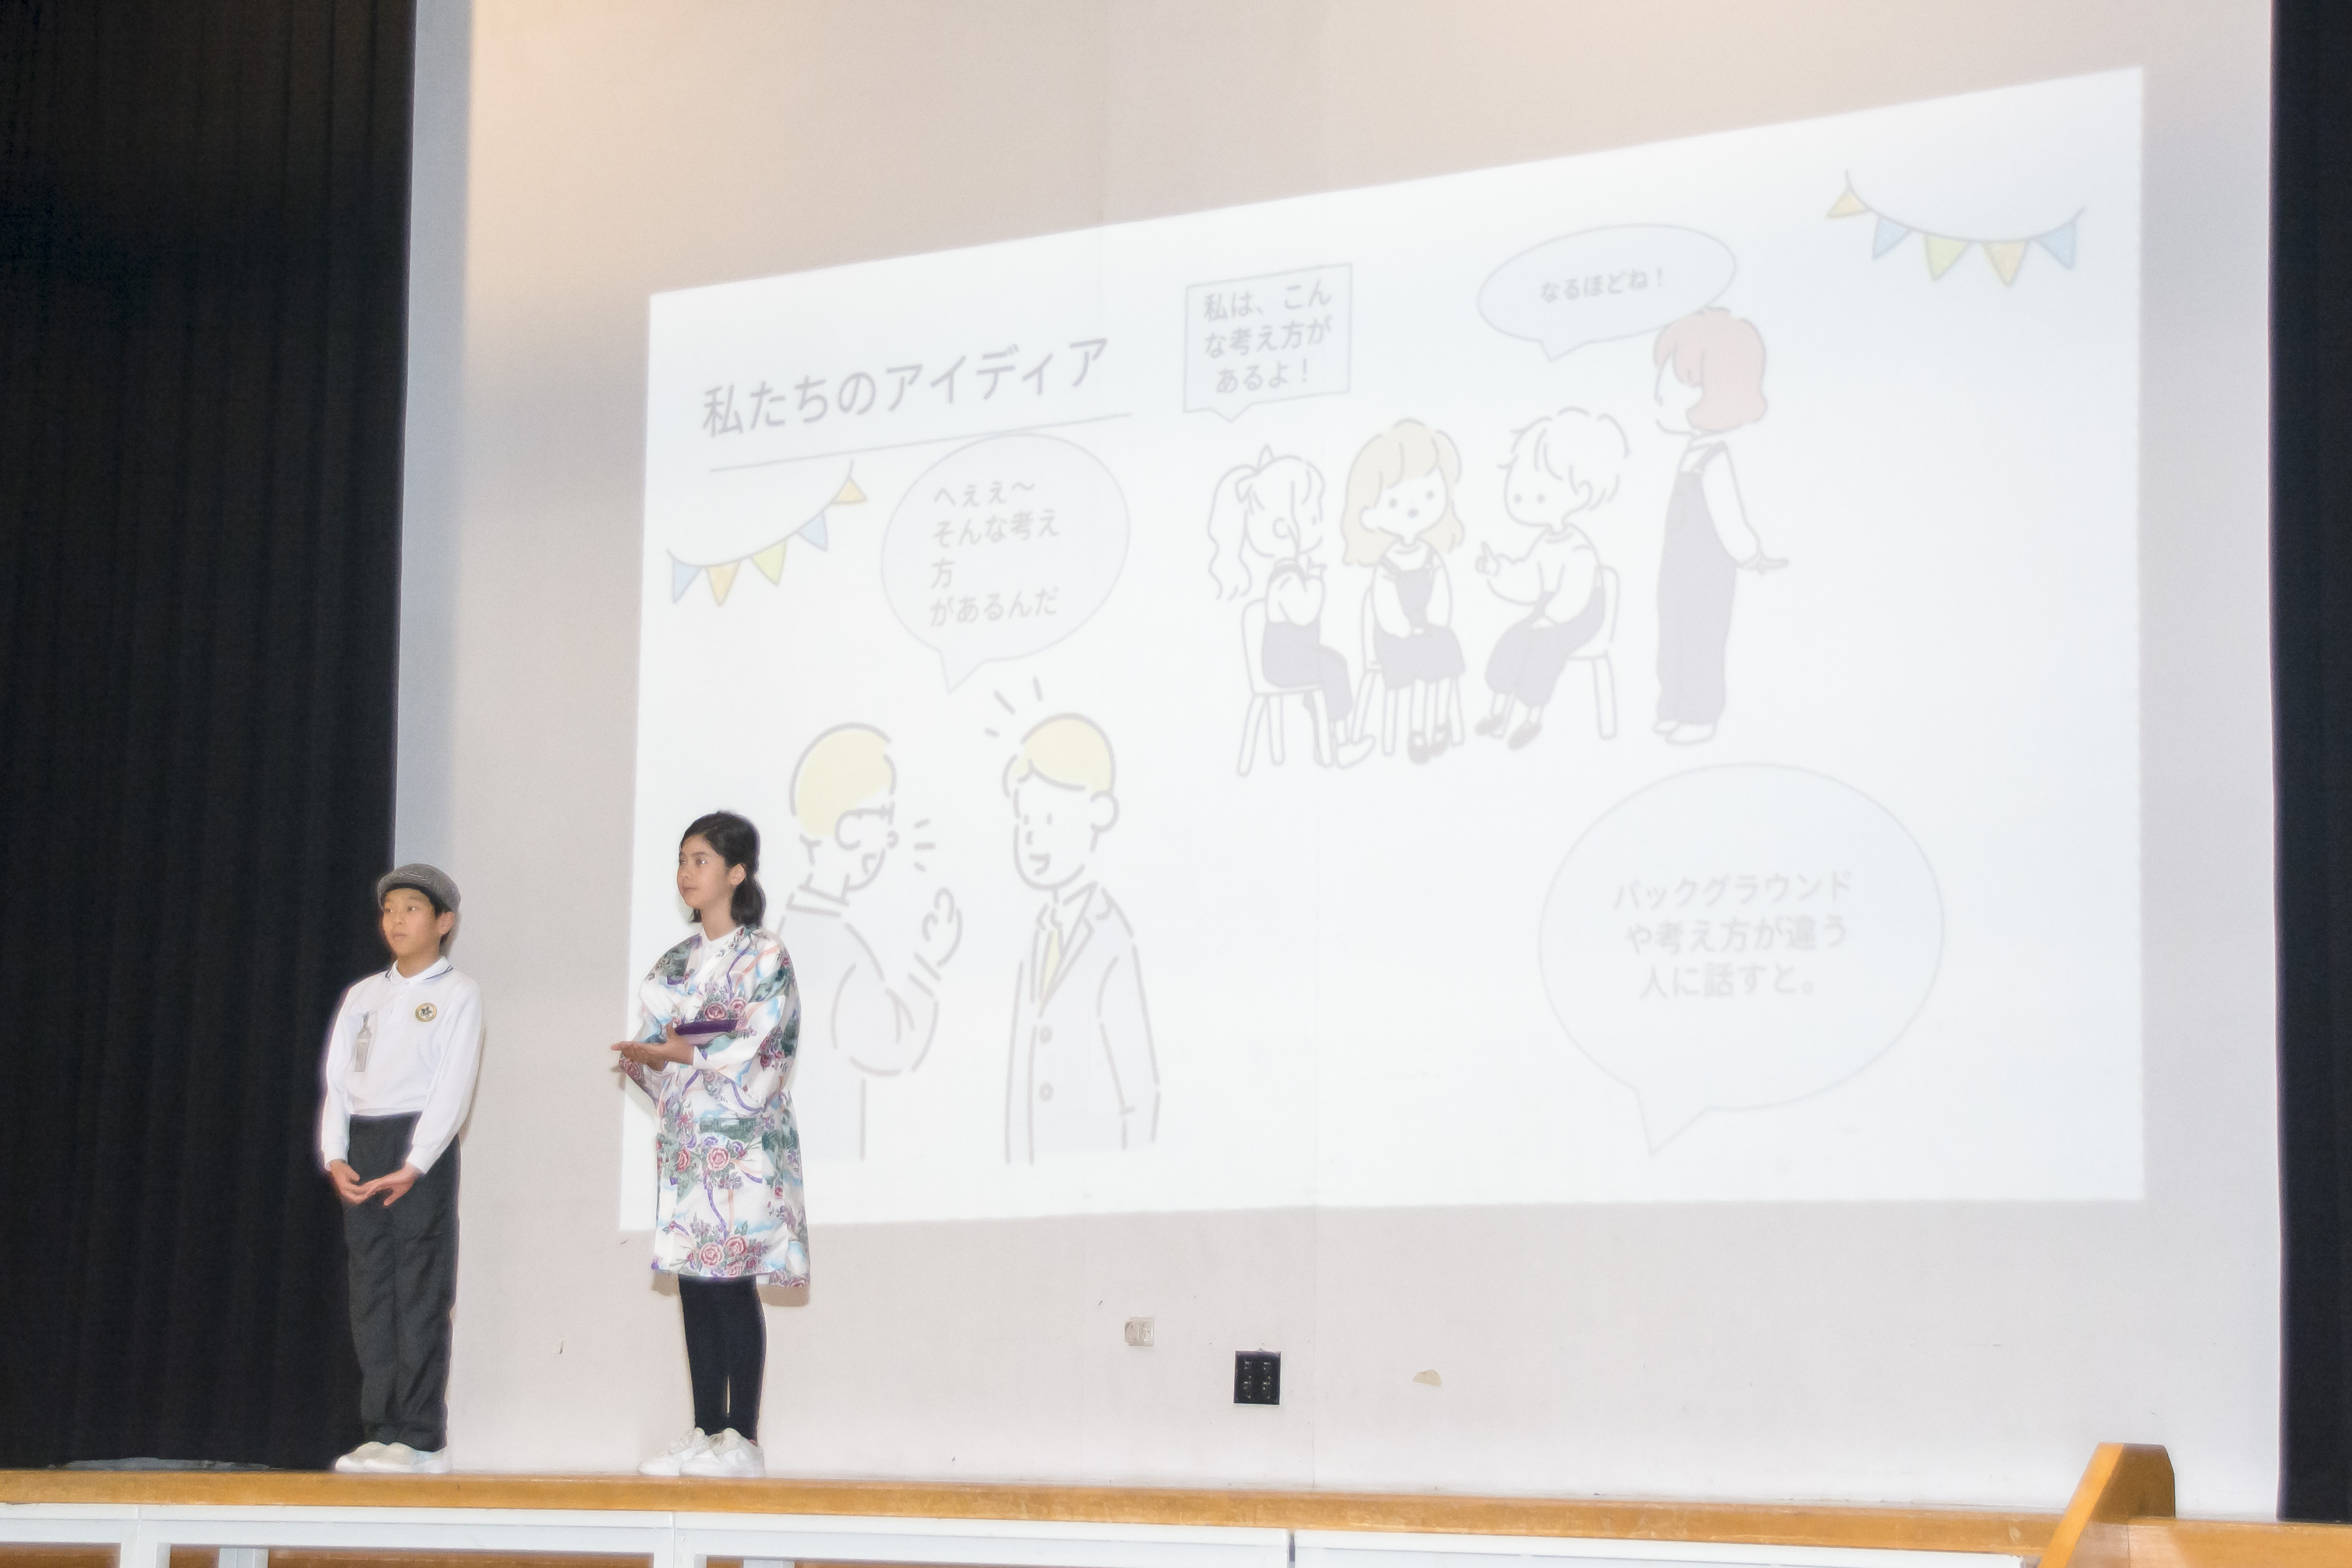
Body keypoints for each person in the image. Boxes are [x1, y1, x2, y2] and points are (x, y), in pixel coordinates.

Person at [612, 812, 804, 1479]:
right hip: (690, 1143)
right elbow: (659, 1041)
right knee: (695, 1284)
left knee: (731, 1284)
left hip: (743, 1146)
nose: (687, 872)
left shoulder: (766, 955)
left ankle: (741, 1438)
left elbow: (764, 1042)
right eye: (682, 860)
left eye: (701, 860)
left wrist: (686, 1050)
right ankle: (704, 1428)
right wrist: (647, 1055)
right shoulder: (675, 962)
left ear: (737, 872)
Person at [319, 864, 483, 1476]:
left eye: (412, 908)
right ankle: (381, 1429)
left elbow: (452, 1088)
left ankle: (421, 1437)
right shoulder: (363, 996)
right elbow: (337, 1084)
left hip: (419, 1149)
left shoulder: (458, 993)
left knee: (419, 1292)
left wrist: (415, 1163)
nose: (396, 920)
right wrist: (334, 1155)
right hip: (362, 1145)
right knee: (371, 1294)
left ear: (444, 922)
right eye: (389, 910)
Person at [783, 724, 962, 1160]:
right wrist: (930, 961)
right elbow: (895, 1044)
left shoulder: (793, 927)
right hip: (830, 1155)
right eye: (882, 818)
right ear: (848, 828)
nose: (890, 836)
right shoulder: (836, 947)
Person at [1003, 715, 1158, 1160]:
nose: (1031, 837)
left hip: (1093, 1170)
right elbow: (1020, 1068)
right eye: (1024, 821)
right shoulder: (1038, 934)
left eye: (1049, 819)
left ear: (1099, 814)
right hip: (1034, 1172)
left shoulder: (1110, 936)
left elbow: (1136, 1083)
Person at [1649, 307, 1786, 744]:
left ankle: (1699, 714)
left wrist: (1751, 556)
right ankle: (1671, 704)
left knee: (1701, 641)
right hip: (1676, 572)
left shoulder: (1714, 459)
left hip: (1707, 576)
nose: (1657, 401)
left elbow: (1731, 523)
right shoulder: (1689, 455)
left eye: (1669, 391)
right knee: (1671, 636)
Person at [1205, 446, 1375, 768]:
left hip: (1294, 659)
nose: (1319, 525)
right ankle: (1337, 745)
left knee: (1335, 662)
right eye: (1313, 518)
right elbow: (1304, 611)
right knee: (1334, 671)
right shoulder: (1285, 580)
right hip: (1284, 666)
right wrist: (1317, 583)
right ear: (1284, 529)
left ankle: (1327, 732)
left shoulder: (1288, 575)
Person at [1474, 408, 1625, 749]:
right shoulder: (1545, 542)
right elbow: (1529, 577)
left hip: (1581, 615)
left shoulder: (1580, 549)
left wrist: (1552, 618)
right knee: (1514, 639)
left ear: (1581, 492)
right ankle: (1497, 711)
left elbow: (1575, 594)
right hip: (1547, 610)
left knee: (1543, 650)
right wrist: (1498, 570)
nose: (1526, 503)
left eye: (1539, 497)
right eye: (1520, 495)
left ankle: (1533, 718)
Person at [1340, 419, 1469, 763]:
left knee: (1446, 653)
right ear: (1370, 515)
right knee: (1420, 662)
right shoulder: (1386, 565)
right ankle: (1416, 731)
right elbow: (1385, 610)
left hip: (1429, 630)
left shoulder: (1431, 557)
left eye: (1429, 495)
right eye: (1396, 501)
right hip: (1395, 639)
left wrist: (1434, 624)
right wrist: (1406, 630)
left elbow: (1442, 598)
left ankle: (1439, 723)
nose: (1414, 506)